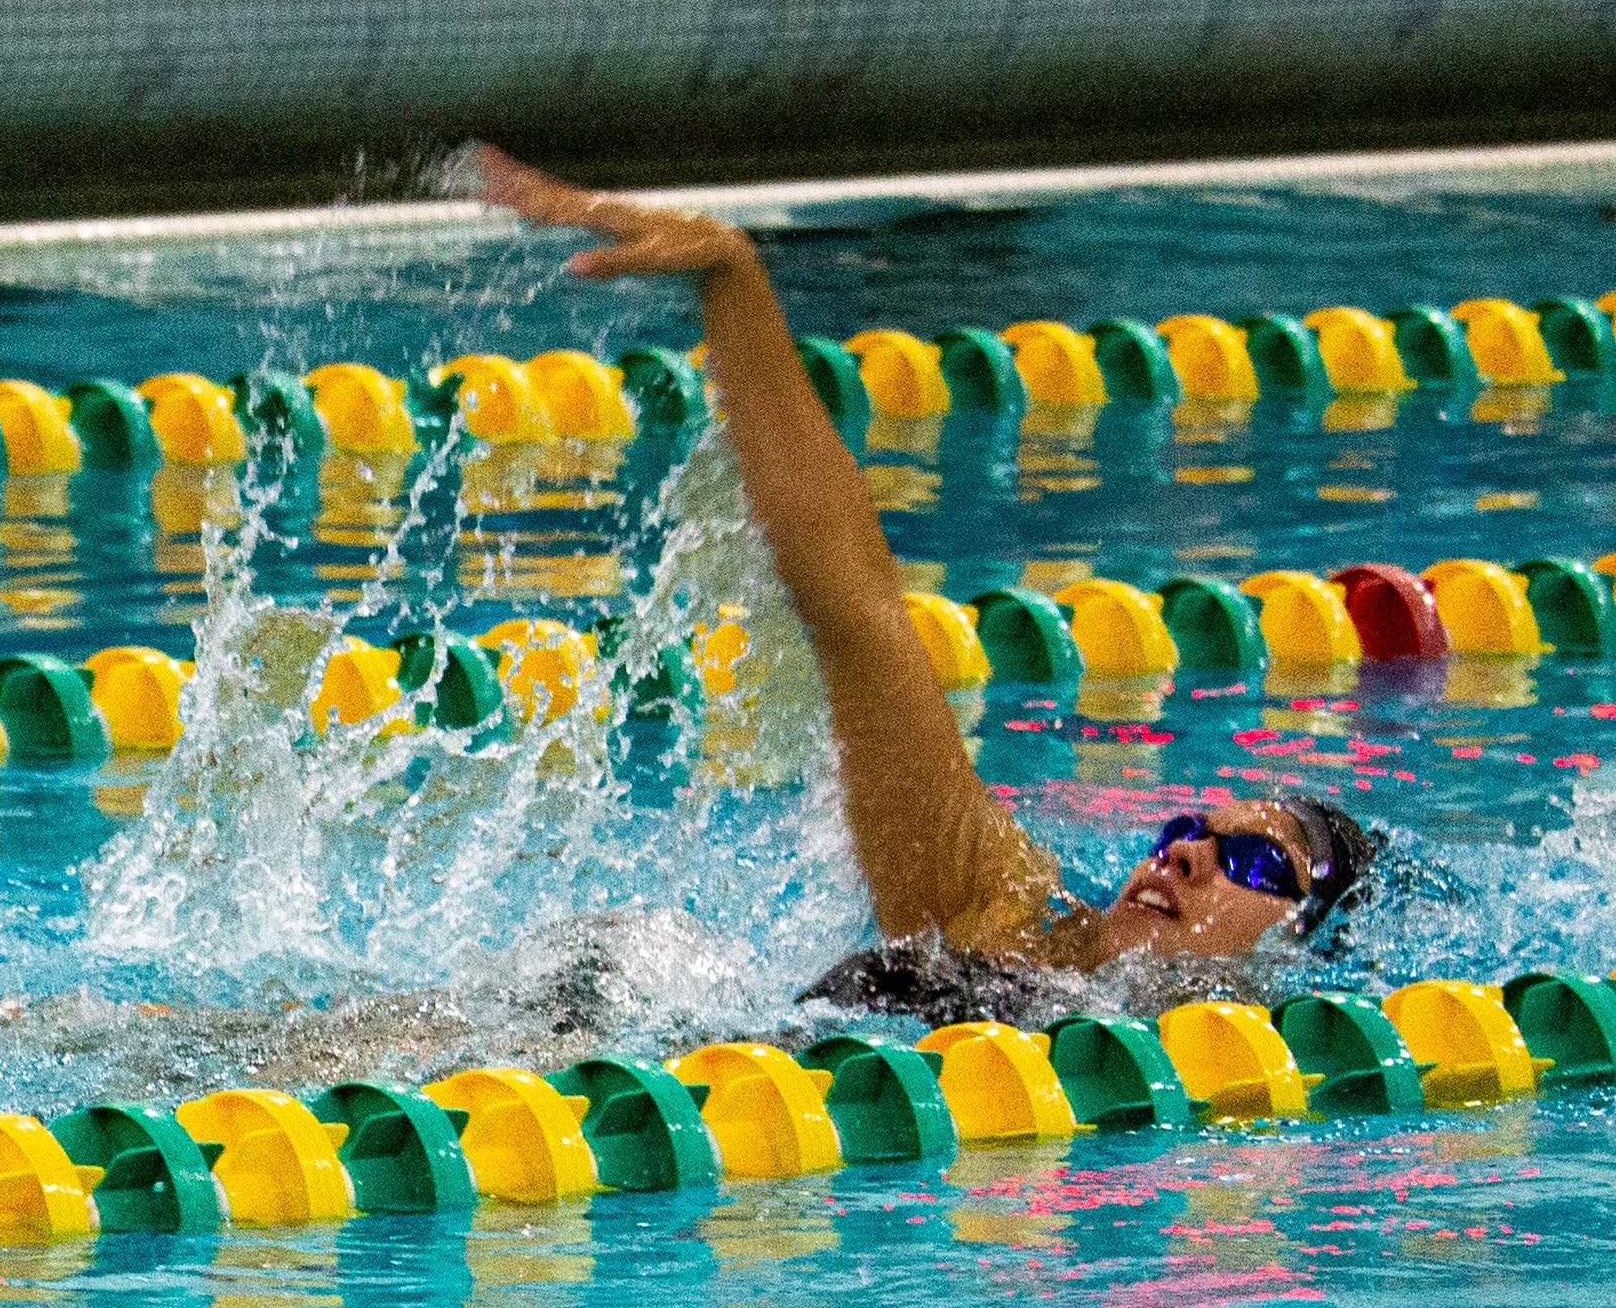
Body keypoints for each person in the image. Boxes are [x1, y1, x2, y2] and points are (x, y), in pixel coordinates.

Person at [477, 151, 1380, 1021]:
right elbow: (857, 614)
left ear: (1301, 952)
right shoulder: (1002, 906)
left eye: (1255, 864)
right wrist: (733, 279)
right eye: (1188, 829)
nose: (1183, 854)